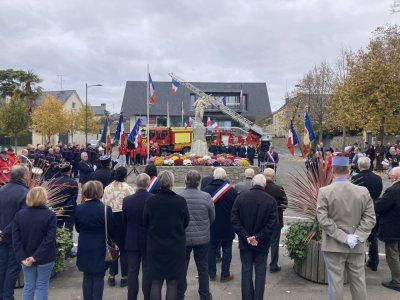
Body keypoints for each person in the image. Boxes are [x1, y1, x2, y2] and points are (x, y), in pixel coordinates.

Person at [316, 155, 376, 300]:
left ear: (332, 171)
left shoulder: (325, 191)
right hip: (357, 246)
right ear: (349, 170)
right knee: (359, 282)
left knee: (336, 283)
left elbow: (323, 219)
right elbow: (370, 218)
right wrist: (357, 237)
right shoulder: (363, 191)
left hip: (333, 245)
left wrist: (344, 237)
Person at [143, 171, 189, 300]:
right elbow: (185, 222)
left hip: (155, 245)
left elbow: (145, 222)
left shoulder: (151, 201)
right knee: (172, 281)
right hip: (175, 245)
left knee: (156, 281)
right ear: (172, 183)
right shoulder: (180, 201)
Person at [231, 174, 278, 300]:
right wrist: (258, 237)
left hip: (245, 243)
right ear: (264, 185)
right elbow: (272, 223)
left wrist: (246, 236)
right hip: (262, 244)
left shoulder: (241, 198)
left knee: (246, 272)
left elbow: (234, 219)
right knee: (260, 273)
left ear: (252, 183)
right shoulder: (270, 200)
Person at [12, 187, 57, 300]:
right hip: (45, 257)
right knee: (42, 285)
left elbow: (16, 239)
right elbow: (49, 239)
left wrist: (22, 257)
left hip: (25, 256)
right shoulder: (50, 215)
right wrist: (36, 256)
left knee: (28, 285)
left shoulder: (19, 215)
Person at [74, 180, 116, 300]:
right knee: (98, 276)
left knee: (87, 276)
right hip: (100, 244)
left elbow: (77, 228)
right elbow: (111, 229)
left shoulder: (79, 208)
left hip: (84, 243)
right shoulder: (105, 209)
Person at [178, 170, 215, 300]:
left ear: (186, 181)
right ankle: (205, 295)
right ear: (199, 182)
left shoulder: (179, 196)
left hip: (184, 238)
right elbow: (212, 217)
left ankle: (179, 294)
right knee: (203, 268)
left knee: (182, 268)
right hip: (203, 238)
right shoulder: (206, 197)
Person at [202, 167, 237, 282]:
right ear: (225, 177)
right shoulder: (231, 191)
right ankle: (225, 275)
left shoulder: (206, 190)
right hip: (227, 225)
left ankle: (211, 274)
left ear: (214, 176)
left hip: (212, 225)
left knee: (211, 249)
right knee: (227, 250)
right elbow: (235, 209)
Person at [0, 165, 29, 300]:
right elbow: (20, 218)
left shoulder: (2, 189)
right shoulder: (24, 192)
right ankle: (7, 296)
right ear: (24, 176)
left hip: (2, 236)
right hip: (14, 237)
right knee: (12, 268)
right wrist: (5, 232)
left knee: (2, 265)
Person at [102, 167, 135, 288]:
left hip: (110, 217)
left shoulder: (107, 188)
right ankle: (124, 276)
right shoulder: (128, 188)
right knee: (124, 249)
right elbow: (131, 204)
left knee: (112, 246)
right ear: (125, 176)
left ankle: (111, 275)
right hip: (123, 218)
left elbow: (104, 203)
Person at [123, 173, 153, 300]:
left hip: (132, 238)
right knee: (147, 272)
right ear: (148, 184)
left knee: (132, 272)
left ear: (136, 184)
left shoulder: (127, 200)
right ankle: (147, 297)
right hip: (148, 240)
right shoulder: (153, 199)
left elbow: (125, 220)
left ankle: (131, 297)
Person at [351, 157, 383, 271]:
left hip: (358, 210)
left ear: (359, 166)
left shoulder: (355, 178)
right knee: (372, 237)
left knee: (357, 235)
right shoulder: (378, 179)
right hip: (373, 209)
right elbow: (379, 192)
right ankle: (374, 261)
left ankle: (358, 261)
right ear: (369, 165)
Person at [374, 166, 400, 292]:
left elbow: (379, 206)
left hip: (393, 227)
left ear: (396, 177)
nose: (389, 177)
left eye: (390, 175)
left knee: (392, 254)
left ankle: (397, 281)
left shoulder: (393, 190)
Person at [263, 168, 288, 273]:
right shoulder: (279, 189)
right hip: (276, 219)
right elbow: (285, 204)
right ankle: (273, 266)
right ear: (273, 176)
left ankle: (261, 264)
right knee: (274, 243)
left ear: (264, 176)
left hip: (262, 220)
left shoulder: (260, 188)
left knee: (262, 242)